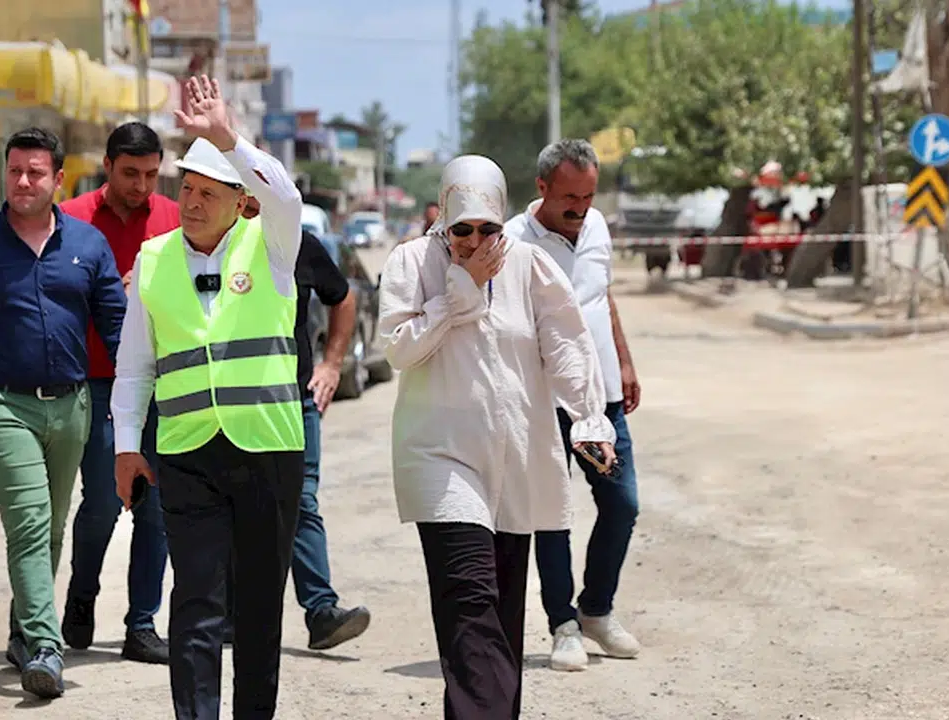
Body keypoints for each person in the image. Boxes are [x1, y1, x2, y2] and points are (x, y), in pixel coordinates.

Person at [378, 154, 616, 719]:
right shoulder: (412, 262)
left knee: (503, 611)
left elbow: (567, 344)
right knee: (468, 597)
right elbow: (399, 349)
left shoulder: (530, 266)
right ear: (444, 220)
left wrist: (588, 418)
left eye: (487, 229)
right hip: (439, 457)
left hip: (512, 456)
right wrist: (461, 290)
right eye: (461, 229)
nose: (474, 242)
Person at [110, 74, 305, 720]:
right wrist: (126, 447)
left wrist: (225, 137)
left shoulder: (272, 245)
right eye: (186, 189)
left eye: (207, 193)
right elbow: (135, 367)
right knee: (195, 601)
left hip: (268, 451)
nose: (191, 203)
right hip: (187, 454)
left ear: (240, 202)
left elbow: (286, 195)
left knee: (258, 609)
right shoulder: (153, 259)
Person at [0, 126, 125, 699]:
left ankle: (21, 628)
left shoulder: (88, 245)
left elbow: (116, 328)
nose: (23, 181)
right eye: (15, 171)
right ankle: (44, 646)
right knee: (30, 521)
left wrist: (140, 400)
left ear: (58, 179)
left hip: (72, 405)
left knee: (51, 527)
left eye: (35, 172)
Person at [504, 139, 643, 672]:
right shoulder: (513, 241)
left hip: (601, 400)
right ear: (542, 187)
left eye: (588, 196)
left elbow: (602, 296)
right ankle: (563, 625)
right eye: (569, 198)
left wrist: (624, 362)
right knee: (552, 513)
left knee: (622, 504)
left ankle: (596, 610)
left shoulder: (598, 226)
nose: (581, 208)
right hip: (544, 401)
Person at [226, 195, 372, 650]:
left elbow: (343, 298)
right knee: (232, 505)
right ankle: (229, 614)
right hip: (228, 402)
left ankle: (322, 612)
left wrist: (332, 364)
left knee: (301, 499)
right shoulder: (208, 247)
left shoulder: (297, 244)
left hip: (293, 400)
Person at [57, 121, 180, 664]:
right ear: (106, 166)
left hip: (164, 381)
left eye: (151, 174)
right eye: (130, 173)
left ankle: (142, 624)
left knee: (156, 504)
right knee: (106, 498)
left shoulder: (175, 219)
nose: (141, 185)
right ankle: (82, 595)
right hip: (97, 378)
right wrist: (111, 294)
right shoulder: (71, 220)